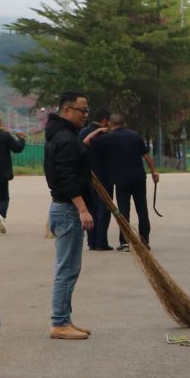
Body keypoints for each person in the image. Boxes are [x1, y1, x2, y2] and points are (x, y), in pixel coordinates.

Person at [43, 90, 94, 340]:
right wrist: (82, 208)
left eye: (87, 111)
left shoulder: (62, 135)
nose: (85, 115)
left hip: (62, 208)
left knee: (70, 267)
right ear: (66, 111)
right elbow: (65, 176)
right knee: (67, 268)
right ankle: (59, 322)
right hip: (68, 210)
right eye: (82, 110)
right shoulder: (64, 138)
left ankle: (65, 318)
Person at [94, 113, 157, 248]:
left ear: (110, 124)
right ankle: (144, 241)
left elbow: (87, 142)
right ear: (125, 123)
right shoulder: (135, 136)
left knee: (123, 211)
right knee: (142, 210)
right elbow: (146, 156)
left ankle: (125, 242)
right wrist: (154, 172)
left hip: (121, 179)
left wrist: (100, 130)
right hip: (139, 178)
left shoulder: (108, 138)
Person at [80, 108, 114, 252]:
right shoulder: (105, 134)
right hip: (103, 175)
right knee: (104, 208)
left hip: (85, 175)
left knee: (91, 208)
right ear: (105, 120)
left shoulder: (82, 132)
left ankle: (91, 241)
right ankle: (102, 242)